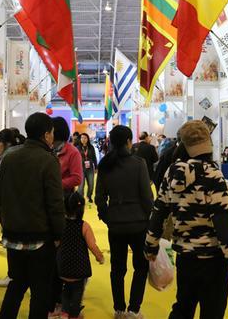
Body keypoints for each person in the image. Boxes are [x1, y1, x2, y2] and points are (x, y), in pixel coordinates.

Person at [145, 121, 228, 319]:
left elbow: (159, 212)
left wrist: (151, 246)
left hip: (186, 258)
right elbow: (222, 222)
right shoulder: (213, 174)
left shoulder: (171, 173)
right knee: (213, 312)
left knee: (183, 308)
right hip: (213, 260)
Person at [0, 113, 65, 319]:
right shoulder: (48, 160)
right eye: (52, 132)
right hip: (40, 237)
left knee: (17, 284)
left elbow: (0, 195)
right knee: (40, 290)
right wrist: (59, 234)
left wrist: (5, 223)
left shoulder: (9, 157)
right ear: (46, 134)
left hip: (13, 235)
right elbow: (55, 202)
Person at [95, 125, 153, 319]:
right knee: (141, 267)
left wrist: (107, 217)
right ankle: (134, 309)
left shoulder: (105, 164)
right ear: (129, 142)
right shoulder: (139, 163)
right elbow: (147, 197)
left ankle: (119, 309)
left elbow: (99, 197)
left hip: (116, 224)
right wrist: (150, 218)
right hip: (139, 223)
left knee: (117, 269)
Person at [49, 117, 84, 317]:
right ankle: (54, 298)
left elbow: (77, 177)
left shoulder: (72, 152)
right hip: (46, 205)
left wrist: (55, 184)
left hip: (64, 205)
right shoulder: (46, 150)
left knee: (62, 251)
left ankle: (64, 299)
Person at [0, 128, 25, 288]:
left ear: (6, 143)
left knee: (12, 243)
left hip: (10, 206)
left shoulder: (8, 158)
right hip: (24, 205)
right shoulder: (25, 153)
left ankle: (14, 276)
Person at [56, 192, 104, 319]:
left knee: (66, 291)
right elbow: (92, 245)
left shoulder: (61, 224)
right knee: (77, 292)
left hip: (63, 267)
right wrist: (100, 257)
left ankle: (64, 312)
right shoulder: (84, 226)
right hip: (79, 268)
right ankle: (74, 314)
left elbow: (56, 243)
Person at [77, 133, 98, 203]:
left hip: (90, 168)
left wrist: (96, 167)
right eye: (82, 138)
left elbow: (94, 157)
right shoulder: (77, 148)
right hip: (81, 168)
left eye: (85, 138)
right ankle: (80, 198)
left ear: (88, 139)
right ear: (80, 139)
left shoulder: (91, 147)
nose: (83, 139)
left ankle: (89, 196)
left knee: (91, 184)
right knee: (81, 185)